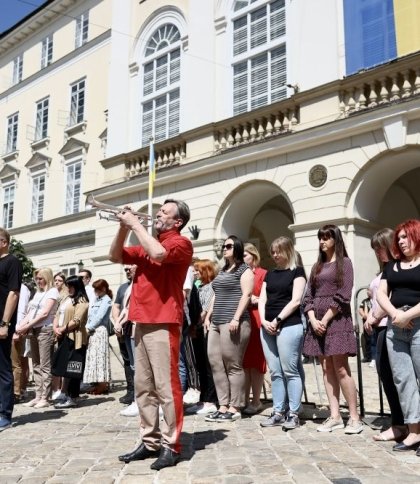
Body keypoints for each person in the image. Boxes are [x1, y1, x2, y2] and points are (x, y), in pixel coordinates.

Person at [109, 198, 193, 470]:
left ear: (177, 221)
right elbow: (115, 255)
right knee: (143, 388)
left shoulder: (180, 242)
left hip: (164, 321)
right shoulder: (147, 241)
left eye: (164, 211)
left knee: (167, 388)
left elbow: (158, 254)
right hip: (141, 321)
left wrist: (135, 224)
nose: (157, 213)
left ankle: (172, 445)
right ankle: (150, 441)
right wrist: (123, 227)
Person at [303, 224, 363, 434]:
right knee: (326, 368)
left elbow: (344, 294)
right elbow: (308, 296)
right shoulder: (316, 267)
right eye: (320, 238)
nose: (322, 241)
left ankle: (354, 418)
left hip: (336, 320)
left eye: (326, 238)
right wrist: (312, 318)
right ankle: (335, 415)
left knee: (340, 368)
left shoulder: (344, 263)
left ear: (335, 240)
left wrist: (326, 319)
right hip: (317, 322)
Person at [377, 219, 420, 454]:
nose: (402, 241)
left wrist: (409, 315)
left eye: (406, 236)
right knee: (403, 380)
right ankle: (414, 432)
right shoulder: (391, 267)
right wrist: (395, 314)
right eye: (399, 238)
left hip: (418, 323)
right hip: (396, 326)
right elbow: (382, 294)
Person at [258, 237, 306, 430]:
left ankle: (294, 413)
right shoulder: (270, 274)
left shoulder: (297, 272)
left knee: (290, 370)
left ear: (287, 251)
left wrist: (278, 320)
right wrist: (264, 321)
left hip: (289, 324)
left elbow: (296, 301)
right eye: (273, 252)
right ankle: (278, 411)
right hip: (267, 325)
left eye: (278, 251)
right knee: (275, 372)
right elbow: (262, 299)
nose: (275, 255)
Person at [364, 228, 407, 443]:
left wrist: (373, 317)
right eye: (375, 249)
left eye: (380, 248)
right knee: (388, 376)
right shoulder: (384, 269)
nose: (377, 252)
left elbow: (388, 297)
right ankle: (400, 421)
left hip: (388, 325)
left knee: (394, 378)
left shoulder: (395, 269)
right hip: (379, 326)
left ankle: (400, 424)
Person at [204, 235, 254, 423]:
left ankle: (235, 406)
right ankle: (223, 405)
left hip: (233, 322)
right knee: (215, 363)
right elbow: (216, 294)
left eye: (229, 246)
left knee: (233, 364)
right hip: (216, 322)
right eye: (224, 246)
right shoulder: (224, 270)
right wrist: (208, 316)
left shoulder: (244, 270)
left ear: (238, 248)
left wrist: (236, 317)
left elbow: (247, 295)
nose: (224, 249)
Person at [18, 268, 59, 409]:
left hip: (45, 330)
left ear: (47, 278)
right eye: (37, 278)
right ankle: (38, 395)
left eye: (41, 278)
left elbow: (44, 313)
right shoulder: (38, 293)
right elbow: (31, 312)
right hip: (34, 330)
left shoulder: (52, 291)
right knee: (35, 364)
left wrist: (26, 326)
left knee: (45, 365)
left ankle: (45, 397)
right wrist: (19, 326)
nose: (38, 281)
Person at [185, 259, 218, 415]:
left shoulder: (211, 287)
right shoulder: (199, 287)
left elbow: (204, 311)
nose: (195, 272)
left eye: (198, 270)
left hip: (205, 330)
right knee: (200, 366)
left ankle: (210, 399)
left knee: (207, 366)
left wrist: (194, 324)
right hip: (197, 330)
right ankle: (203, 397)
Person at [53, 275, 89, 408]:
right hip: (63, 336)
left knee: (74, 367)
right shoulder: (67, 299)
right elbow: (58, 314)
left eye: (70, 286)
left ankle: (73, 396)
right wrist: (55, 327)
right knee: (63, 366)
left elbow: (77, 320)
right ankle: (66, 394)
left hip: (76, 338)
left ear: (76, 286)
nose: (68, 288)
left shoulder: (82, 301)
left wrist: (62, 329)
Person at [0, 228, 23, 432]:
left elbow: (14, 293)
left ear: (4, 242)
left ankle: (5, 415)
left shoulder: (12, 262)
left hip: (2, 323)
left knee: (4, 368)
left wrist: (5, 323)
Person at [242, 243, 267, 415]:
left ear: (253, 255)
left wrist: (259, 299)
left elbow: (269, 295)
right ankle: (243, 399)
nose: (243, 258)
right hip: (241, 317)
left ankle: (256, 400)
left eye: (245, 254)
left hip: (257, 316)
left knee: (256, 362)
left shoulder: (262, 273)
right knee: (243, 362)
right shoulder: (238, 273)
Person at [112, 265, 136, 409]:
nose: (127, 271)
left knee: (136, 364)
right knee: (127, 361)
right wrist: (117, 322)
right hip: (122, 328)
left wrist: (120, 322)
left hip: (131, 326)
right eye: (125, 269)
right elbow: (116, 306)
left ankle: (136, 395)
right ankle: (130, 390)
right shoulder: (122, 288)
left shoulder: (139, 285)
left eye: (129, 269)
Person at [82, 279, 113, 395]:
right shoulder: (97, 299)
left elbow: (99, 317)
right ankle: (97, 383)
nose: (95, 291)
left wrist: (88, 327)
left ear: (103, 289)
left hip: (99, 331)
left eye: (97, 289)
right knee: (94, 358)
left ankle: (103, 384)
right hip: (92, 331)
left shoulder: (106, 300)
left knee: (100, 357)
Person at [51, 272, 68, 400]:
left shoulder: (65, 295)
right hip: (53, 328)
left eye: (60, 280)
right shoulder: (52, 293)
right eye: (55, 280)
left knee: (61, 359)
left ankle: (61, 388)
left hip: (62, 329)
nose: (57, 282)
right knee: (53, 360)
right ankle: (54, 388)